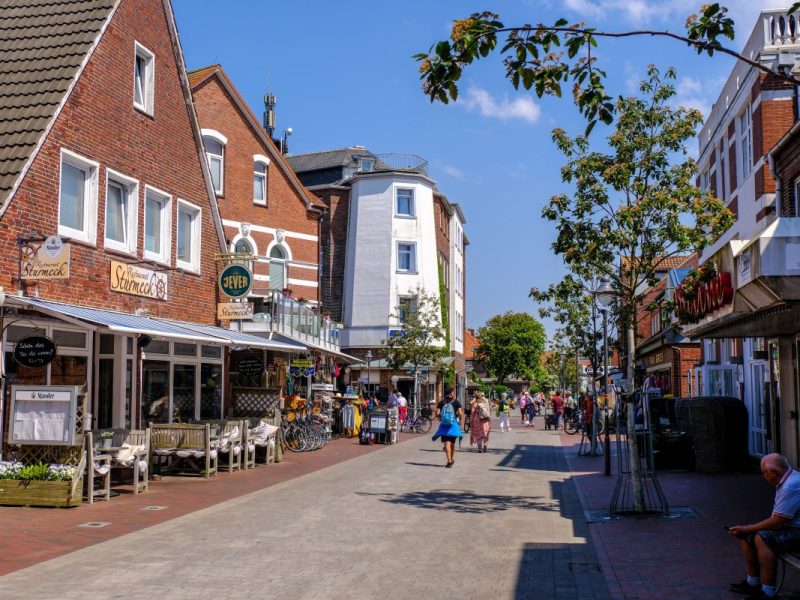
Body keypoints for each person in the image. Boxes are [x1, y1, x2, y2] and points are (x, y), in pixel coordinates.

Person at [729, 453, 800, 599]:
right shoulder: (786, 479)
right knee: (748, 535)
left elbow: (777, 521)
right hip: (789, 526)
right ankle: (753, 582)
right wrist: (747, 530)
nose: (764, 477)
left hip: (797, 530)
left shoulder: (790, 486)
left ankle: (768, 592)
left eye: (765, 473)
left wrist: (748, 528)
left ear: (774, 472)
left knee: (762, 538)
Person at [432, 388, 463, 467]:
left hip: (444, 425)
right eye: (453, 392)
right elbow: (460, 413)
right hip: (453, 425)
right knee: (452, 443)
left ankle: (449, 461)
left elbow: (437, 412)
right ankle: (451, 459)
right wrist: (460, 420)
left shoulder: (441, 402)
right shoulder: (456, 402)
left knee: (446, 443)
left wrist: (440, 419)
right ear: (451, 393)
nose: (454, 393)